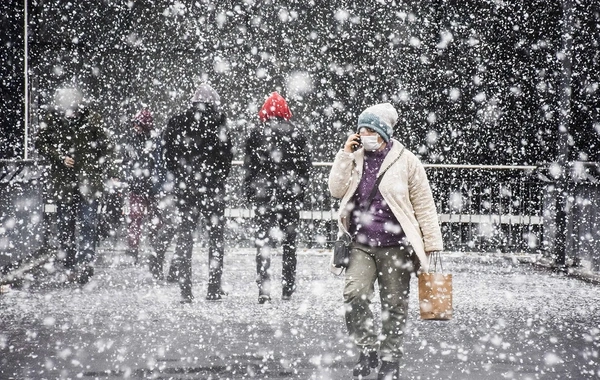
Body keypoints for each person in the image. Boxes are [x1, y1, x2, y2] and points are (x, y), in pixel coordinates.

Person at [328, 103, 443, 380]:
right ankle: (367, 349)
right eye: (361, 130)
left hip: (396, 246)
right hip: (361, 243)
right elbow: (335, 189)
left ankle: (390, 360)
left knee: (394, 304)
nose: (364, 135)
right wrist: (344, 154)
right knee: (354, 294)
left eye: (369, 129)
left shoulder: (407, 161)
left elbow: (424, 205)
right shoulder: (355, 158)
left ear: (383, 132)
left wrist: (432, 244)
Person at [162, 84, 233, 302]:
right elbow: (226, 157)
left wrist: (183, 176)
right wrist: (216, 177)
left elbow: (168, 156)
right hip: (212, 189)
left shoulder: (176, 122)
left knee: (185, 237)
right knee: (216, 239)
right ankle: (213, 287)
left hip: (186, 189)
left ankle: (186, 290)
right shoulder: (219, 123)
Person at [36, 87, 114, 284]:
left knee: (88, 223)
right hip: (64, 183)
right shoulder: (53, 119)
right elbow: (40, 143)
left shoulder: (93, 119)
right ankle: (70, 264)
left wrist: (101, 168)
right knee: (65, 225)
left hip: (88, 181)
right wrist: (60, 157)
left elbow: (106, 146)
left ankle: (85, 264)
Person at [243, 92, 311, 303]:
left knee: (263, 243)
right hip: (289, 195)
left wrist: (250, 191)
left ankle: (264, 290)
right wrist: (299, 191)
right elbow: (304, 168)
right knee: (289, 244)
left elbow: (249, 167)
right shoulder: (297, 134)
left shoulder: (256, 134)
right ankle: (288, 288)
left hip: (264, 197)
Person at [121, 108, 163, 270]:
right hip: (140, 186)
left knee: (146, 219)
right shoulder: (138, 140)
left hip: (148, 186)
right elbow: (128, 161)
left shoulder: (153, 140)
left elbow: (158, 163)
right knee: (136, 219)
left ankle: (149, 245)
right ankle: (136, 249)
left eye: (138, 124)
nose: (135, 126)